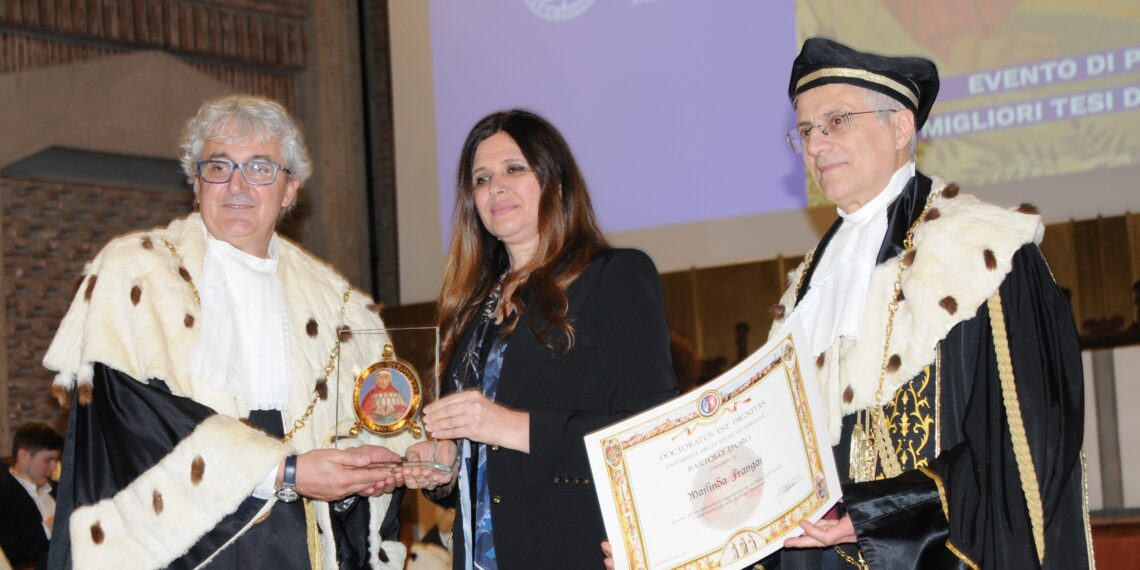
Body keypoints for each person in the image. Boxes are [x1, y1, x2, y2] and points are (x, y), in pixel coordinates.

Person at [42, 95, 416, 569]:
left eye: (261, 168)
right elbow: (131, 420)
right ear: (196, 182)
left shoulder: (336, 302)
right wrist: (286, 471)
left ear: (291, 190)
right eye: (219, 167)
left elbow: (359, 432)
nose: (237, 186)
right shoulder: (137, 272)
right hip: (182, 551)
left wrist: (360, 479)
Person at [762, 37, 1092, 568]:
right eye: (805, 131)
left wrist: (876, 515)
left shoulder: (983, 254)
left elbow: (1023, 450)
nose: (817, 145)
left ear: (900, 127)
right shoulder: (805, 289)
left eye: (836, 121)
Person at [404, 109, 678, 569]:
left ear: (555, 180)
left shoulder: (615, 276)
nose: (496, 187)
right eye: (482, 178)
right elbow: (491, 478)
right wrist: (445, 468)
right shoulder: (472, 306)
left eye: (515, 169)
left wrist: (507, 426)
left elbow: (650, 434)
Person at [0, 423, 63, 569]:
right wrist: (47, 528)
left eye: (57, 460)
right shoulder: (4, 491)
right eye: (48, 460)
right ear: (23, 456)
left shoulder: (58, 489)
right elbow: (5, 550)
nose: (54, 467)